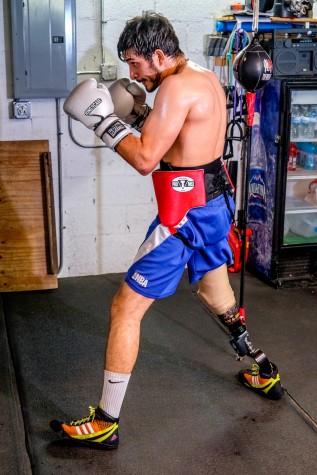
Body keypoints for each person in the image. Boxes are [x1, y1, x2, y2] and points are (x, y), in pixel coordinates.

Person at [50, 11, 284, 450]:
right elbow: (179, 141)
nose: (132, 73)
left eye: (135, 64)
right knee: (217, 296)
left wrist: (103, 121)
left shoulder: (175, 89)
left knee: (125, 309)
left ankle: (105, 422)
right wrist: (139, 112)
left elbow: (144, 160)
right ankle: (262, 367)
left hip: (184, 215)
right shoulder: (198, 76)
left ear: (158, 56)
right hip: (214, 205)